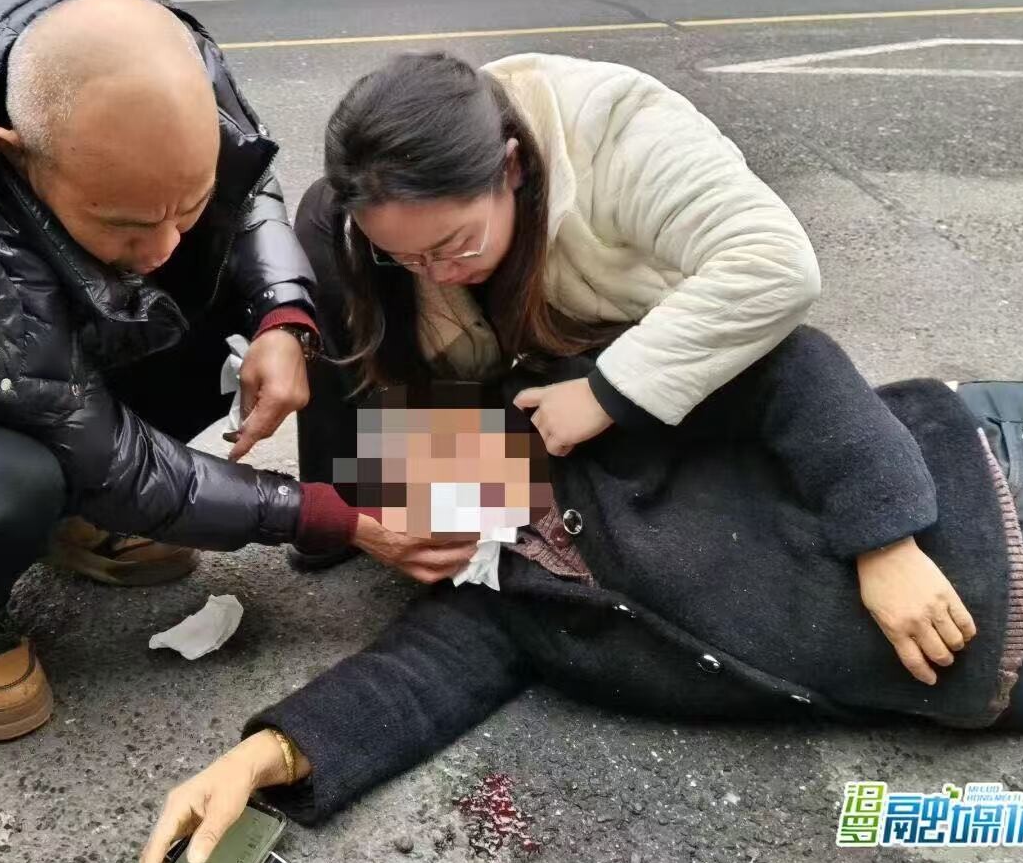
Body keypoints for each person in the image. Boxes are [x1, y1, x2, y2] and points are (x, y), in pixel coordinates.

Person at [0, 0, 473, 742]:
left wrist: (283, 321)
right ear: (16, 155)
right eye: (124, 224)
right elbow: (100, 454)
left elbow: (247, 193)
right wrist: (328, 518)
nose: (158, 251)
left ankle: (74, 520)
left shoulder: (174, 86)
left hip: (22, 362)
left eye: (183, 207)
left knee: (225, 279)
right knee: (1, 487)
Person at [139, 329, 1023, 863]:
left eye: (416, 457)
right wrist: (255, 759)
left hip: (1016, 493)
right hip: (1018, 682)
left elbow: (789, 363)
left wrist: (883, 539)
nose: (412, 501)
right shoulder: (505, 608)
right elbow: (402, 690)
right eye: (387, 512)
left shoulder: (596, 412)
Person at [291, 51, 821, 569]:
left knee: (563, 554)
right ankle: (368, 505)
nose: (438, 275)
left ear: (512, 166)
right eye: (407, 258)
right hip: (520, 377)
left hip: (627, 372)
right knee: (323, 213)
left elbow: (777, 263)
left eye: (456, 245)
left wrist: (607, 393)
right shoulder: (402, 199)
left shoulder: (624, 135)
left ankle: (553, 516)